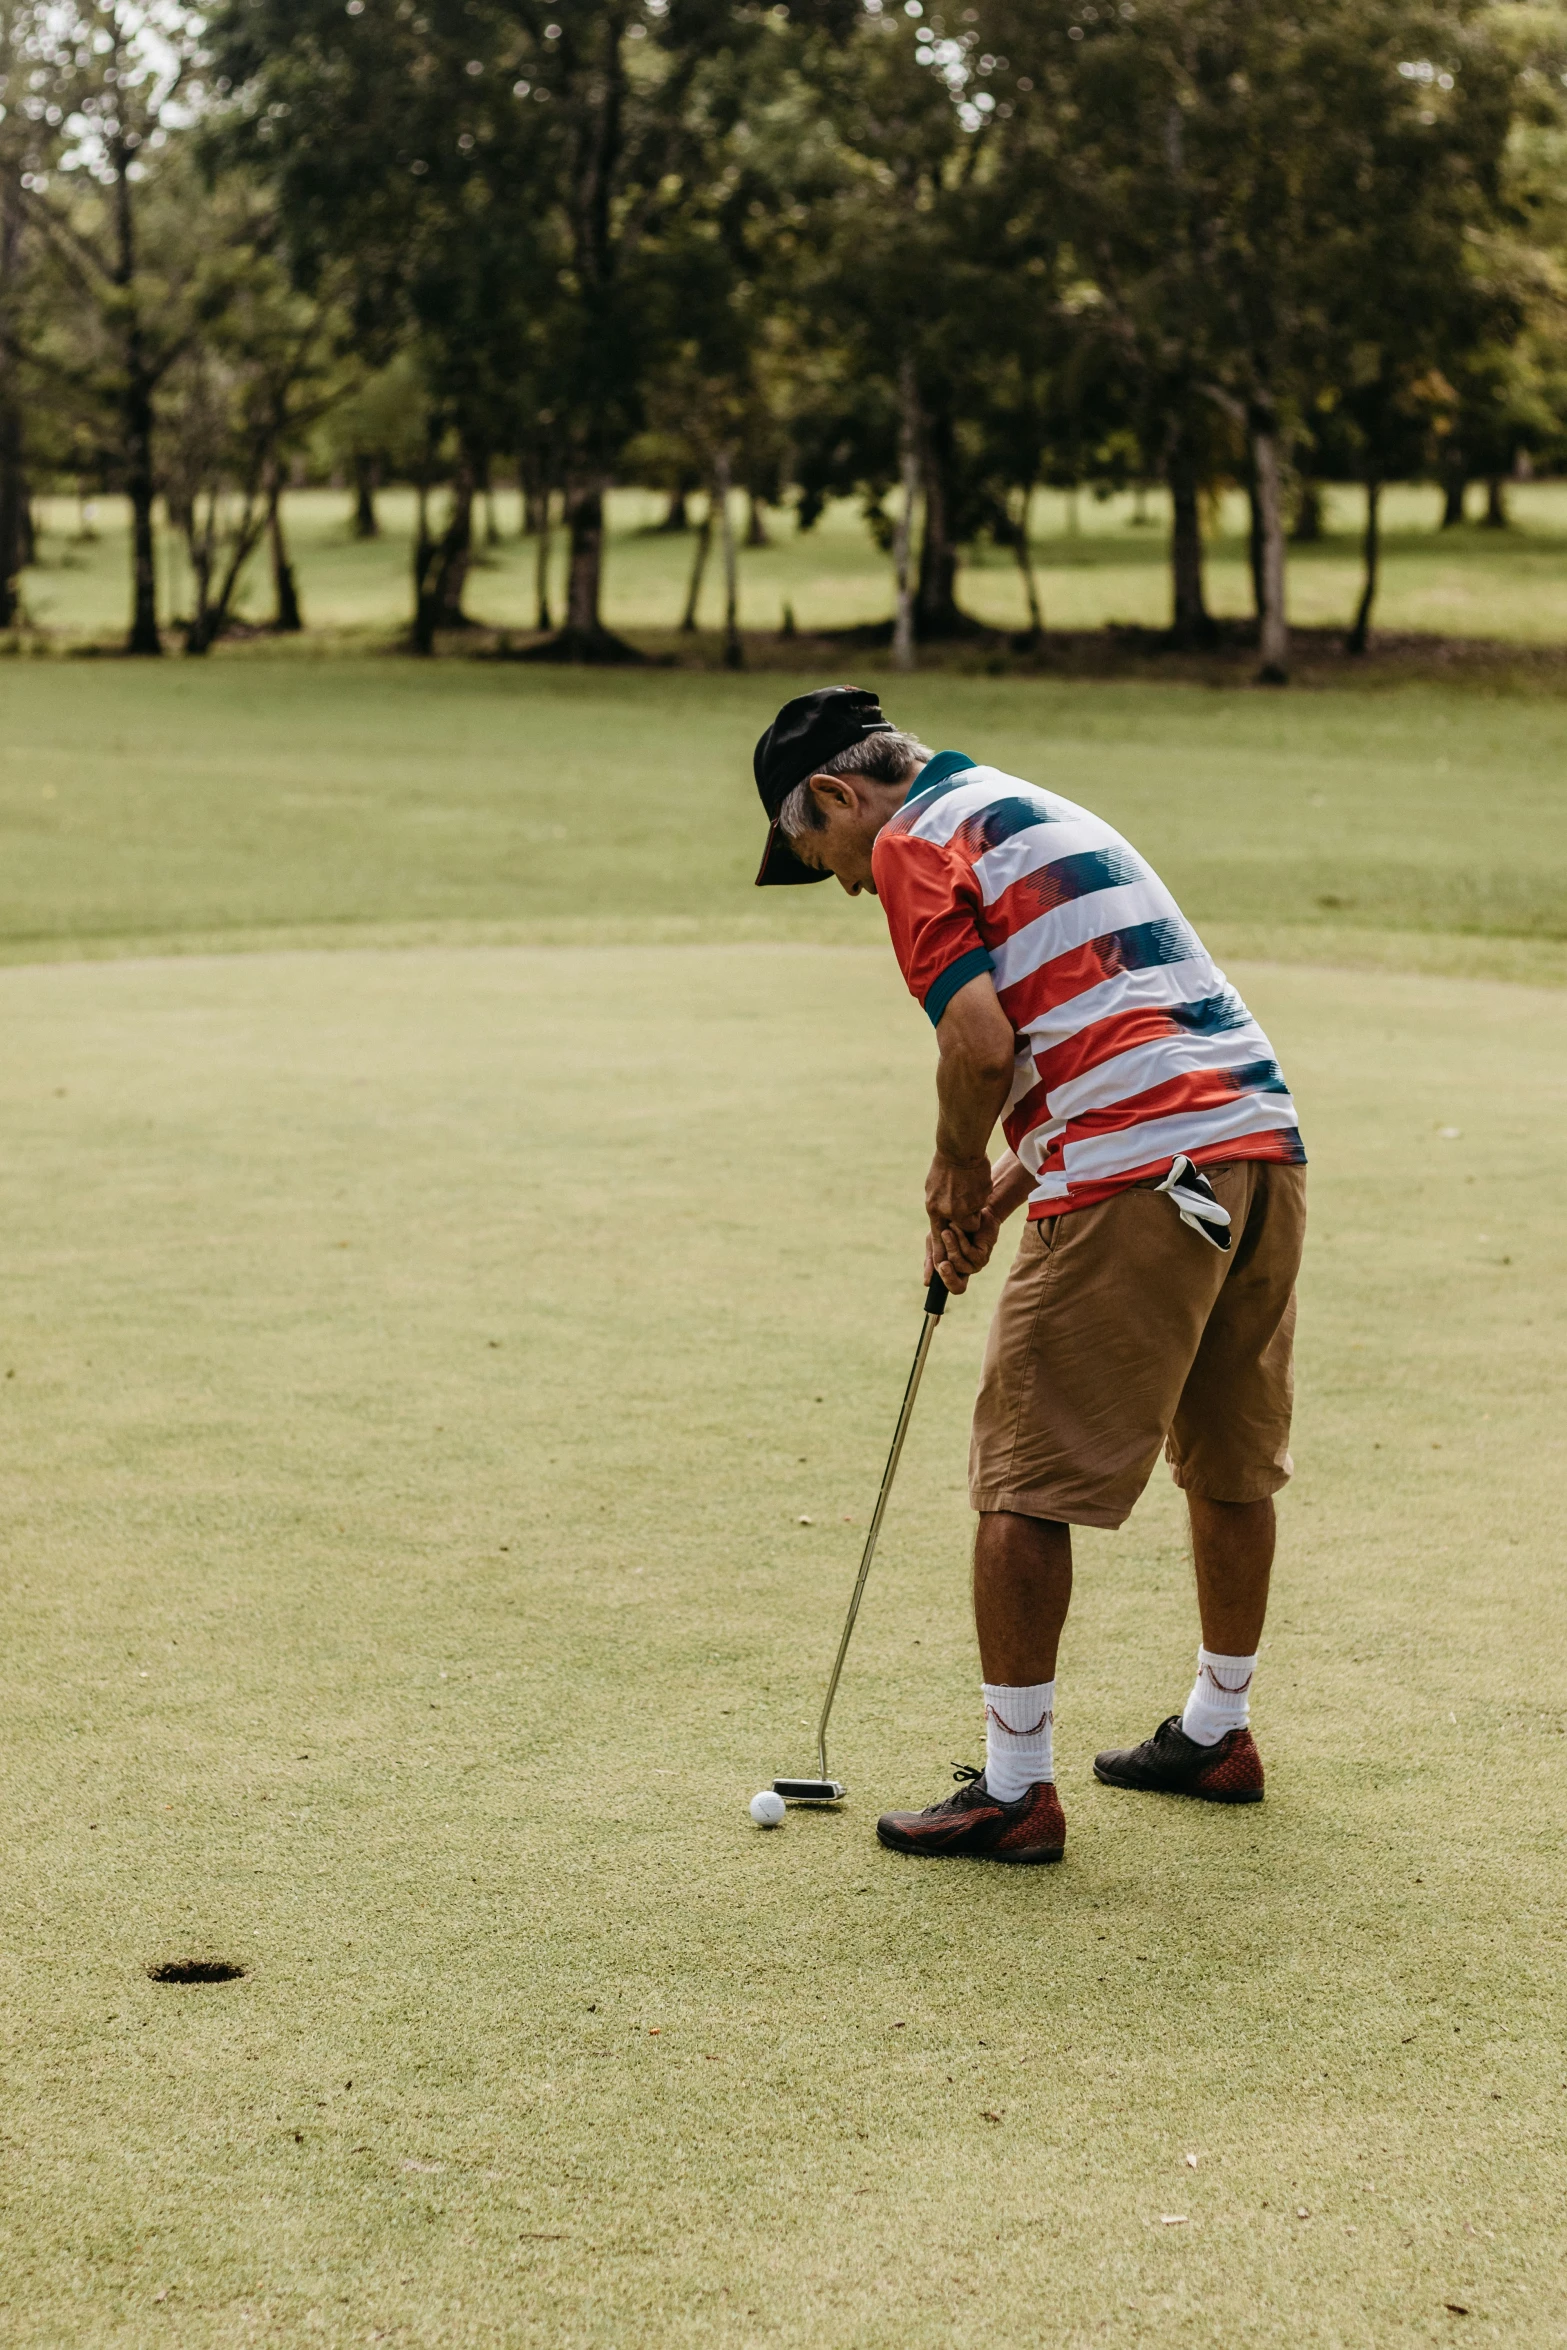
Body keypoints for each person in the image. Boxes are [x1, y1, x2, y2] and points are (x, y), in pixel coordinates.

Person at [752, 686, 1307, 1865]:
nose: (847, 883)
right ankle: (1218, 1729)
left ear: (843, 797)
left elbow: (983, 1046)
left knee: (1020, 1477)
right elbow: (1097, 1030)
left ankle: (1013, 1791)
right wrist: (999, 1200)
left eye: (819, 854)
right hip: (1252, 1148)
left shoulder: (912, 843)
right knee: (1228, 1454)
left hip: (1135, 1168)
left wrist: (955, 1170)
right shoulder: (1025, 806)